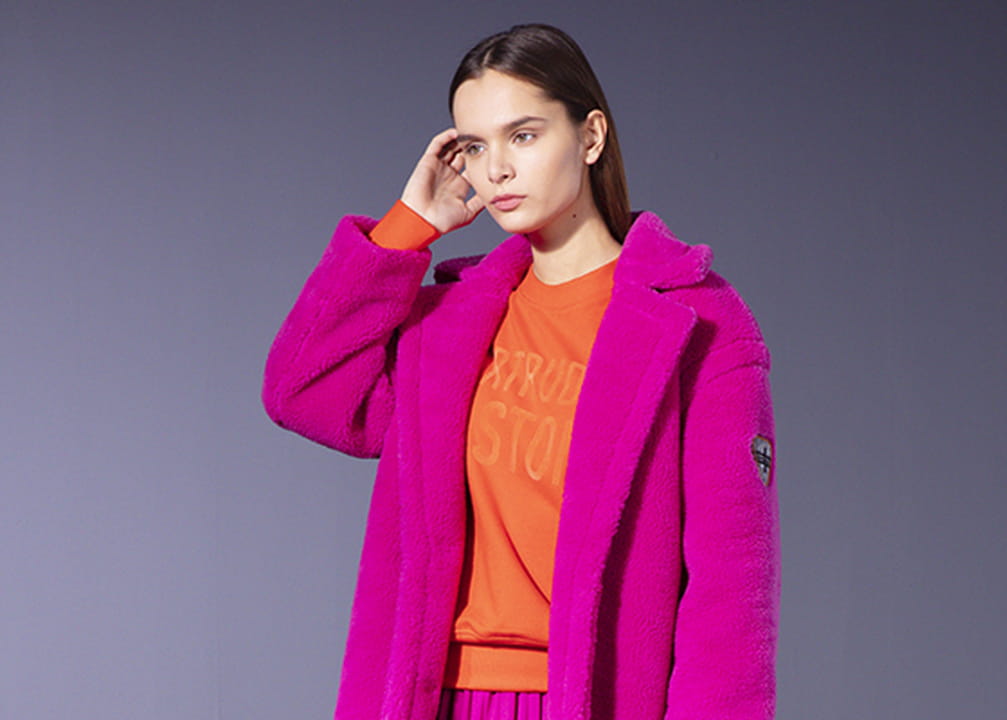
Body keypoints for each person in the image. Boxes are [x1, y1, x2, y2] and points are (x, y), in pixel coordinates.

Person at [262, 23, 779, 720]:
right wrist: (409, 225)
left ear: (590, 136)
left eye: (524, 136)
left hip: (589, 701)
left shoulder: (699, 325)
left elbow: (730, 591)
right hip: (432, 698)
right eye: (476, 147)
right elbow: (301, 388)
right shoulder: (446, 326)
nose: (496, 169)